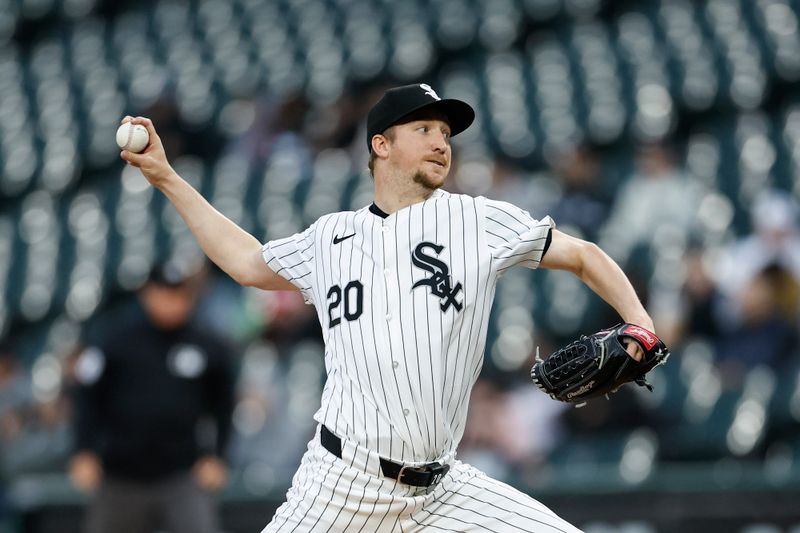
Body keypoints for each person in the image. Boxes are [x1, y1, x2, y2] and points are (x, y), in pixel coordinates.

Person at [120, 83, 655, 532]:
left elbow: (583, 256)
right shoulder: (331, 238)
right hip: (339, 486)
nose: (441, 142)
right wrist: (166, 176)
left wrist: (642, 325)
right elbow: (245, 260)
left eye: (445, 134)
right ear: (380, 144)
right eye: (424, 130)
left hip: (441, 491)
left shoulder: (478, 220)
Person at [68, 262, 235, 533]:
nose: (171, 302)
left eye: (178, 294)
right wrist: (83, 450)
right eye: (163, 293)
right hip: (120, 475)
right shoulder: (115, 339)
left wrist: (219, 457)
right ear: (147, 294)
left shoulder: (207, 344)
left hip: (182, 473)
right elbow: (86, 396)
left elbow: (224, 405)